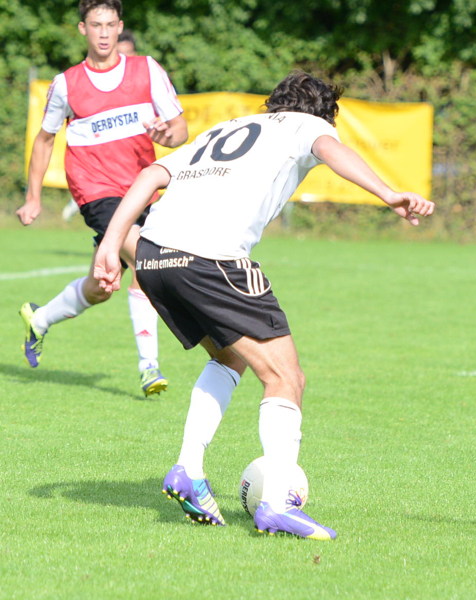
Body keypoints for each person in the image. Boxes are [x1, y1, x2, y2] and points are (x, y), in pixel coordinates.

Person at [92, 70, 435, 538]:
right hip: (210, 257)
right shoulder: (308, 124)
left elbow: (152, 173)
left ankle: (189, 469)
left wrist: (111, 244)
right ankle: (275, 503)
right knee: (285, 377)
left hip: (153, 256)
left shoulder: (227, 127)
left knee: (231, 356)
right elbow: (331, 149)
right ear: (324, 113)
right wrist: (388, 194)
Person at [18, 1, 187, 397]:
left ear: (120, 26)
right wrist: (33, 197)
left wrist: (166, 136)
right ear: (83, 29)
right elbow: (44, 140)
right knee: (145, 258)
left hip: (142, 189)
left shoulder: (147, 70)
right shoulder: (66, 84)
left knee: (101, 286)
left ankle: (39, 319)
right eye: (96, 25)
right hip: (95, 190)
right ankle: (149, 367)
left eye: (111, 24)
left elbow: (179, 129)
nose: (105, 32)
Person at [61, 28, 138, 222]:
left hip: (133, 179)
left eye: (129, 54)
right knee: (129, 237)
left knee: (121, 238)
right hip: (98, 183)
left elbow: (175, 128)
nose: (125, 59)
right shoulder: (84, 86)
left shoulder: (146, 82)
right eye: (120, 54)